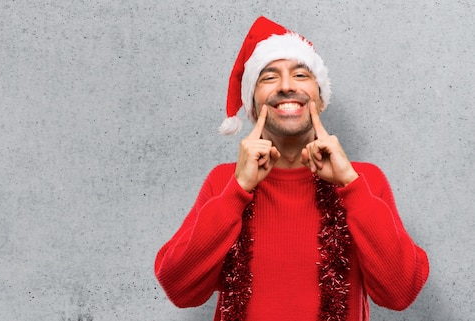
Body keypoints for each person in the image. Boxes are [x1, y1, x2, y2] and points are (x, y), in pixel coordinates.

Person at [154, 16, 429, 321]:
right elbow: (179, 289)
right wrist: (236, 192)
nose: (286, 86)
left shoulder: (364, 180)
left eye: (300, 74)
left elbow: (400, 293)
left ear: (320, 99)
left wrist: (350, 184)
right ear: (253, 106)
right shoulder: (224, 182)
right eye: (269, 77)